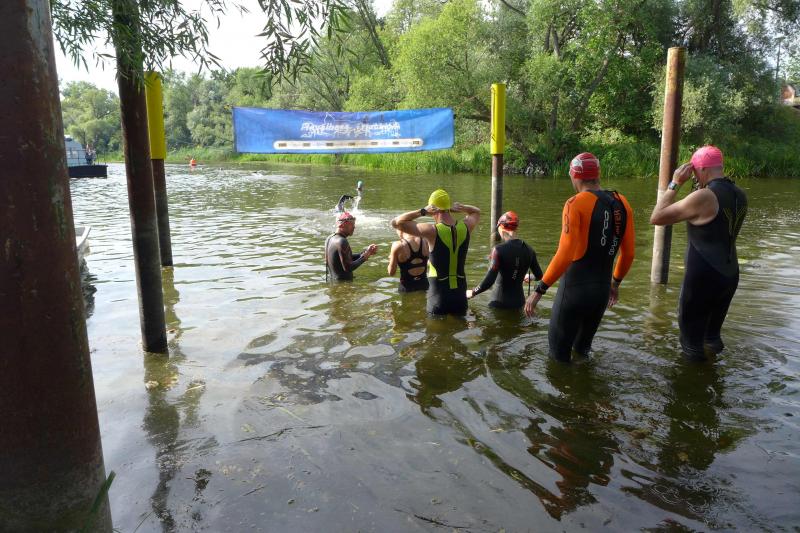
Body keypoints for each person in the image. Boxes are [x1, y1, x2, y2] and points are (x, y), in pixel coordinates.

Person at [525, 152, 635, 362]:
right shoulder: (622, 202)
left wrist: (539, 291)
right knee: (582, 352)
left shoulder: (574, 203)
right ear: (598, 174)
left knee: (558, 359)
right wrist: (615, 284)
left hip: (574, 292)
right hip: (602, 293)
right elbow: (628, 254)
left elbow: (565, 254)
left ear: (574, 175)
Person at [649, 145, 747, 360]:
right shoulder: (739, 194)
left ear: (702, 169)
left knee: (691, 343)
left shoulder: (705, 196)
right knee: (711, 337)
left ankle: (694, 380)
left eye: (694, 172)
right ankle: (714, 372)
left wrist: (675, 183)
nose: (694, 176)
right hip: (729, 275)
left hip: (703, 277)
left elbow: (657, 217)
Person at [391, 189, 480, 315]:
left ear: (432, 210)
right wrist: (462, 208)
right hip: (460, 295)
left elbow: (396, 223)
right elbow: (476, 211)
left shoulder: (432, 231)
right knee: (460, 324)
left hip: (438, 297)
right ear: (449, 208)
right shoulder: (466, 226)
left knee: (436, 327)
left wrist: (422, 211)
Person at [467, 211, 543, 309]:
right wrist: (531, 277)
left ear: (501, 227)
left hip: (499, 304)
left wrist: (473, 292)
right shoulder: (529, 250)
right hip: (519, 303)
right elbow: (539, 275)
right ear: (516, 228)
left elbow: (489, 281)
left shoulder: (498, 250)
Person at [325, 211, 377, 282]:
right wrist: (364, 258)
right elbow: (348, 267)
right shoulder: (341, 241)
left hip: (333, 282)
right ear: (343, 225)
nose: (354, 227)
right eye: (352, 224)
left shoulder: (330, 238)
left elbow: (344, 258)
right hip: (343, 285)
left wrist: (367, 252)